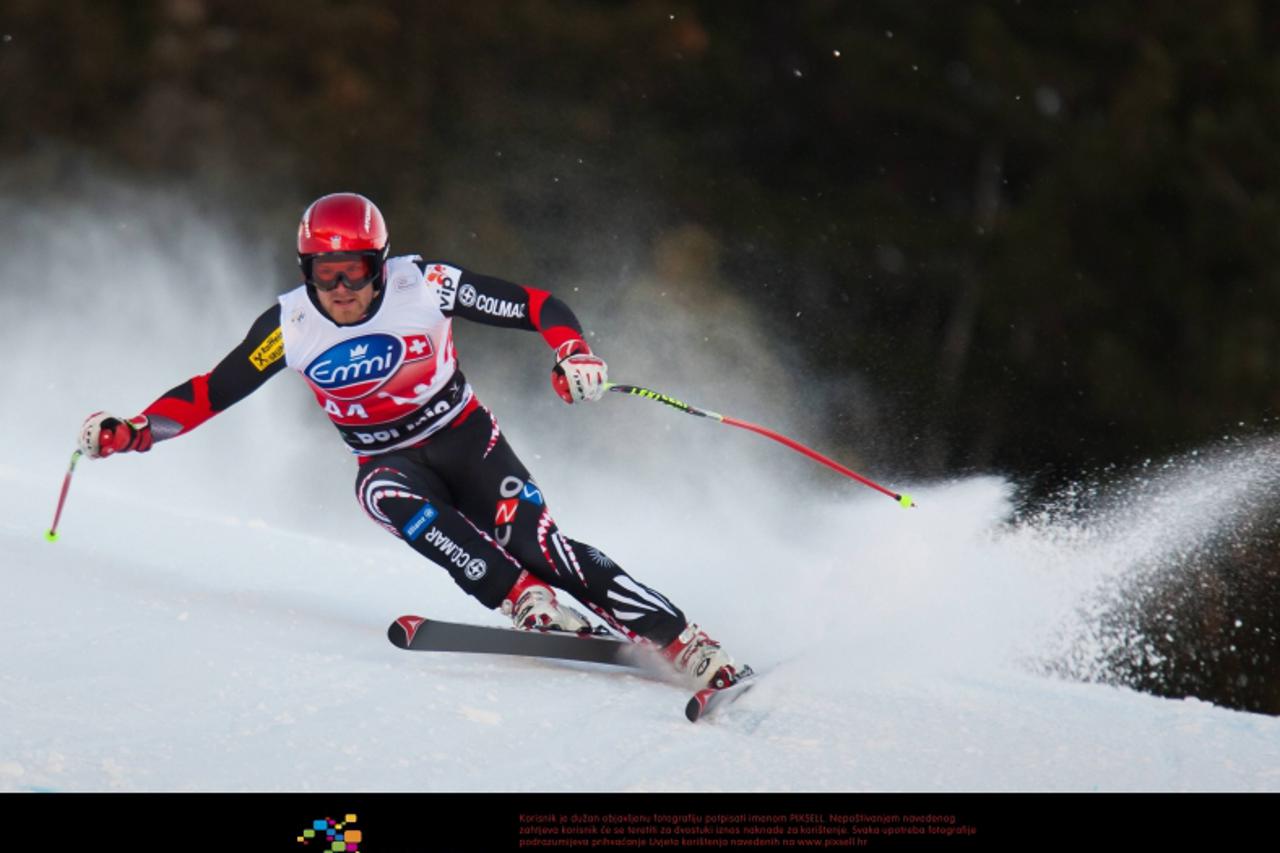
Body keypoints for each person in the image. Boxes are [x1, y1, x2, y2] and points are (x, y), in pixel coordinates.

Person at [78, 192, 745, 691]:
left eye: (356, 270)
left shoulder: (422, 283)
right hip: (392, 461)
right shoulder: (290, 324)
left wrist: (573, 352)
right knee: (381, 494)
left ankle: (684, 640)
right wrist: (137, 431)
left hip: (468, 443)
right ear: (305, 270)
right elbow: (212, 390)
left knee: (542, 546)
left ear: (381, 261)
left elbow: (537, 304)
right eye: (325, 273)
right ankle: (519, 597)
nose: (341, 290)